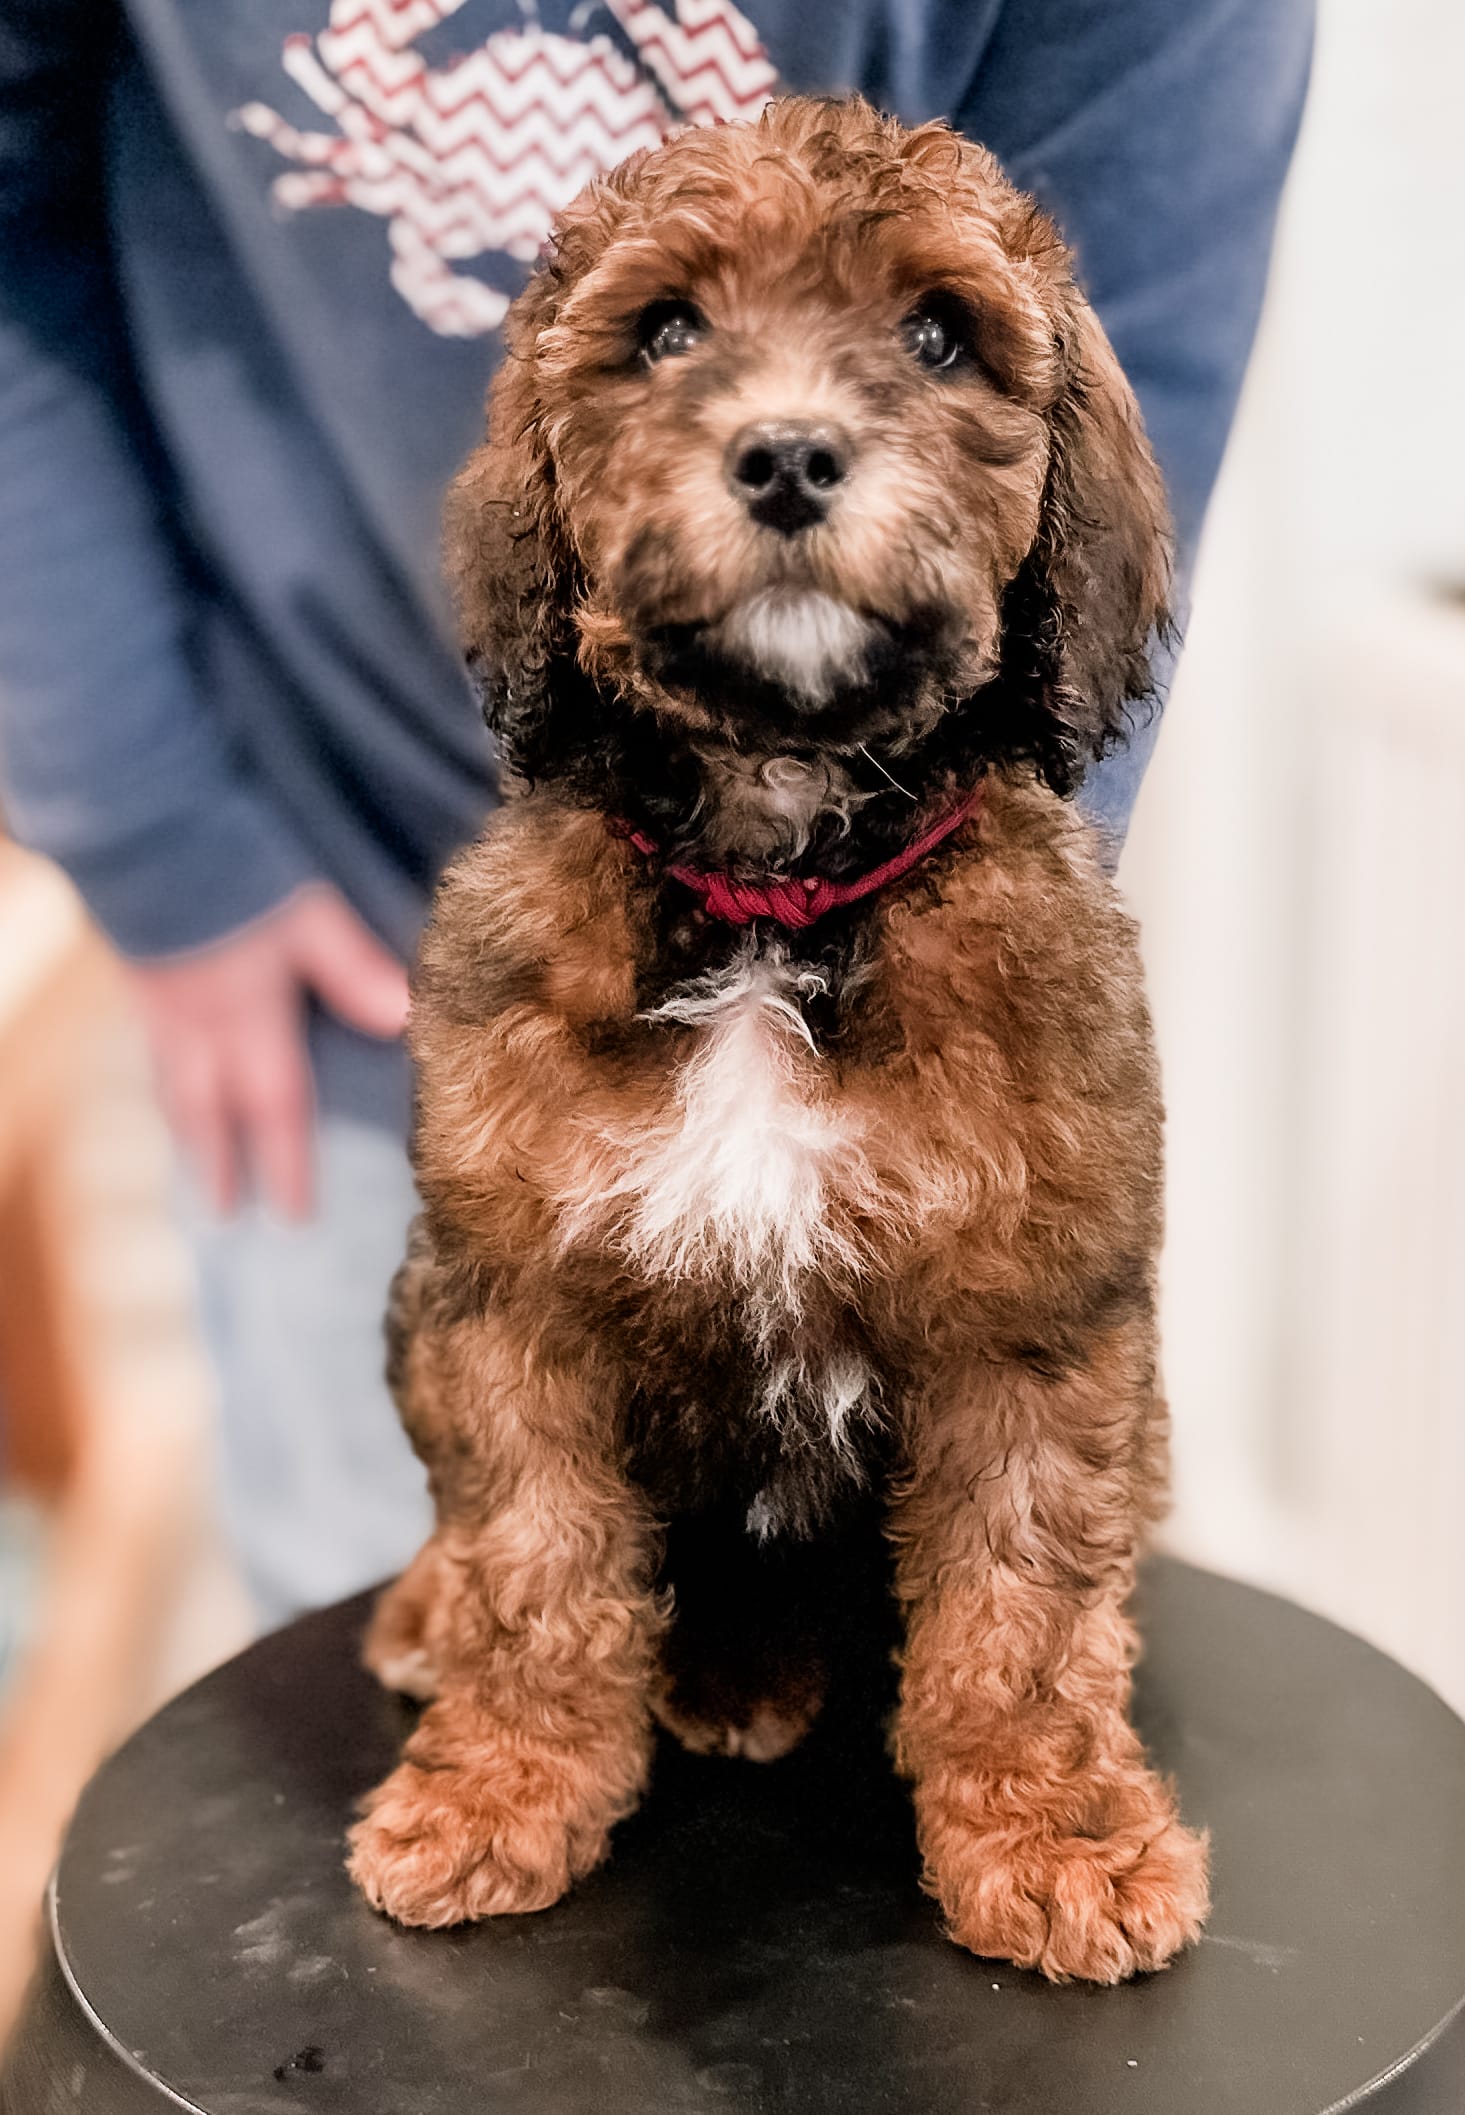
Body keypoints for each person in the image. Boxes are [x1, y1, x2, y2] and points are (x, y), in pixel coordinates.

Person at [0, 0, 1312, 1622]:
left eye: (919, 338)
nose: (786, 432)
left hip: (937, 869)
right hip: (340, 896)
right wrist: (157, 834)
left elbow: (1130, 351)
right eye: (677, 331)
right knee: (405, 1636)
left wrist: (977, 876)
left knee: (954, 1588)